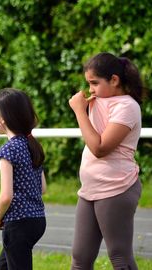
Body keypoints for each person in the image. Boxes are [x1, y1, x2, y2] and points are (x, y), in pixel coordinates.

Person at [69, 52, 144, 270]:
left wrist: (79, 111)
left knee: (119, 257)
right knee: (80, 259)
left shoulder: (127, 107)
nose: (90, 89)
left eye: (94, 83)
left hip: (116, 188)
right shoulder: (98, 100)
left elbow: (100, 148)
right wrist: (85, 107)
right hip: (90, 189)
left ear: (114, 80)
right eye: (88, 83)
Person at [0, 88, 47, 270]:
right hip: (37, 220)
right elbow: (42, 188)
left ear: (2, 119)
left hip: (18, 223)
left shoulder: (8, 150)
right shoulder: (32, 144)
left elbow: (6, 195)